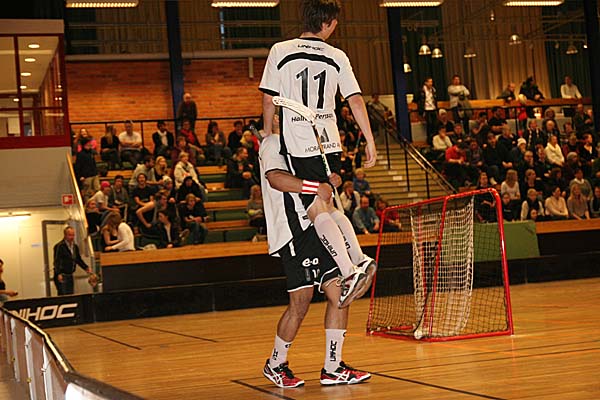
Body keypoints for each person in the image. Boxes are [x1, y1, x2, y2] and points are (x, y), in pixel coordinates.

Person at [259, 0, 377, 309]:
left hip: (300, 141)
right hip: (329, 141)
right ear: (326, 23)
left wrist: (268, 133)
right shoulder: (337, 56)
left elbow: (269, 99)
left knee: (315, 208)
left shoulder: (280, 50)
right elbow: (355, 100)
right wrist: (369, 140)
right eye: (335, 22)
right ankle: (358, 257)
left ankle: (349, 270)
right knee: (329, 203)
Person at [259, 129, 370, 388]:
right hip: (294, 232)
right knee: (301, 302)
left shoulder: (303, 141)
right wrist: (314, 186)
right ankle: (276, 363)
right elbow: (276, 178)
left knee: (340, 295)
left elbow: (320, 183)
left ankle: (333, 367)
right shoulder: (273, 142)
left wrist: (330, 180)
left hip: (319, 226)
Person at [53, 226, 94, 295]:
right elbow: (57, 261)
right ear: (65, 235)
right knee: (63, 294)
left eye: (73, 235)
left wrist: (86, 267)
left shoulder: (75, 247)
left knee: (70, 294)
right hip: (62, 274)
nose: (72, 237)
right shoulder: (59, 246)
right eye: (70, 235)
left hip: (70, 274)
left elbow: (78, 259)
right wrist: (58, 273)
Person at [418, 77, 438, 145]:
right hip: (426, 109)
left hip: (433, 108)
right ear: (426, 83)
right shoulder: (422, 90)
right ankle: (429, 139)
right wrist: (421, 110)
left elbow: (435, 99)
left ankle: (434, 139)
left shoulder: (433, 89)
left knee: (435, 124)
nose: (431, 83)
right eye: (429, 82)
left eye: (431, 82)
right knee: (429, 124)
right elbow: (419, 100)